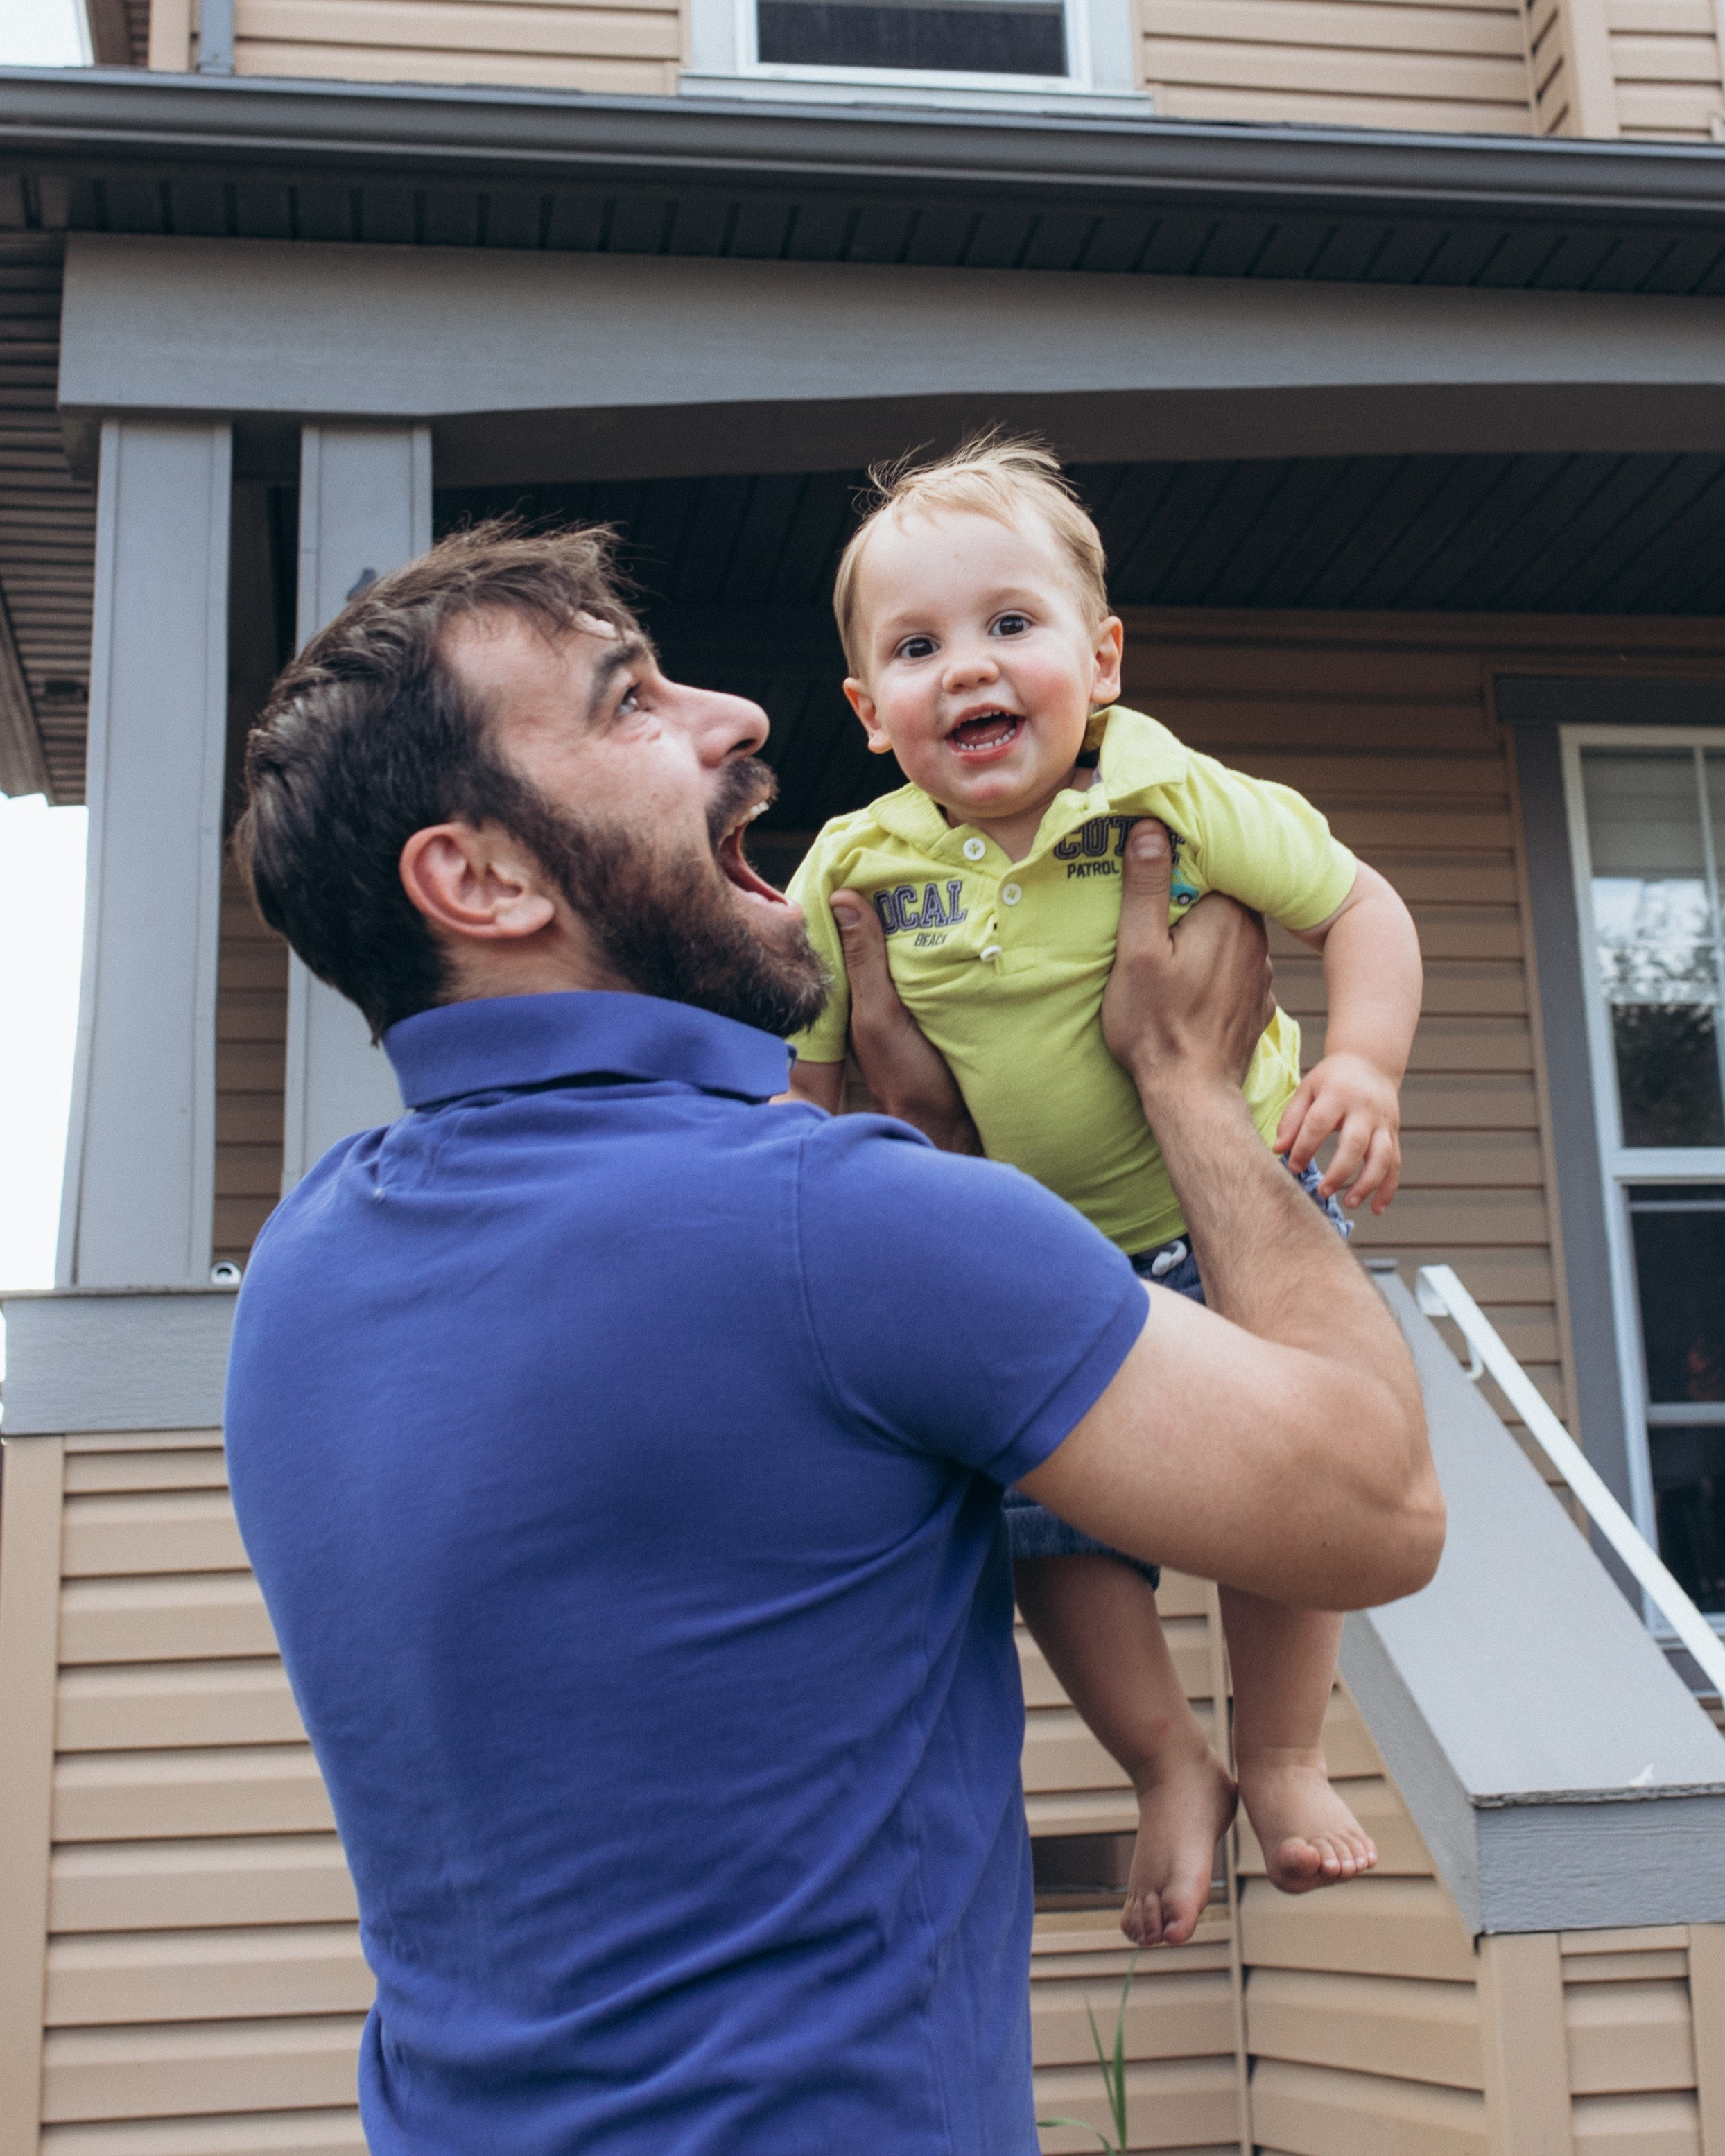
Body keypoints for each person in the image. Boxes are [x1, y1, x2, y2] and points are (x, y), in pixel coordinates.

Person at [224, 519, 1440, 2156]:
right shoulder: (838, 1230)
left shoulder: (304, 1267)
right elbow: (1372, 1505)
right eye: (629, 705)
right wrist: (1183, 1086)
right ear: (483, 878)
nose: (736, 717)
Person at [785, 437, 1425, 1949]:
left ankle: (1275, 1751)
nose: (970, 670)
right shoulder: (852, 872)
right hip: (1037, 1252)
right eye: (918, 647)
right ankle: (1168, 1763)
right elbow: (801, 1081)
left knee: (1286, 1511)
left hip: (1239, 1210)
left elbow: (1360, 906)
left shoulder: (1174, 793)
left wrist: (1372, 1069)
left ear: (1102, 656)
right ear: (870, 716)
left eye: (1012, 625)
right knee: (1046, 1534)